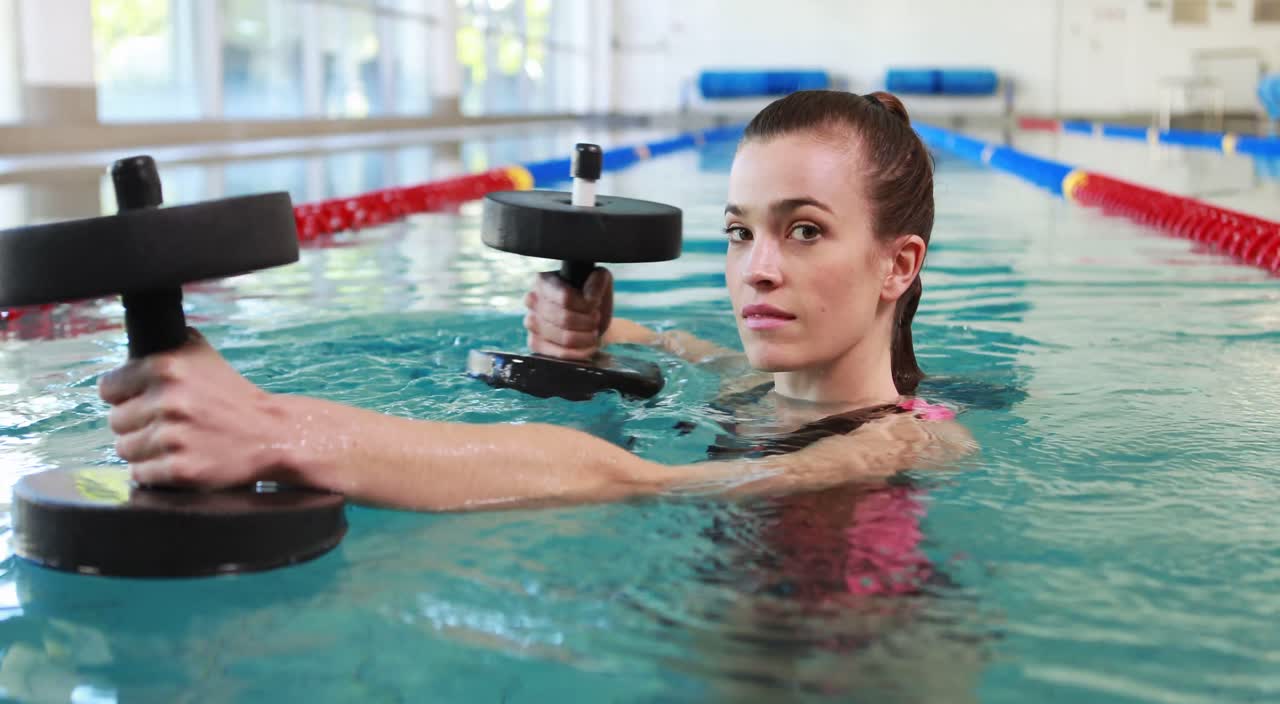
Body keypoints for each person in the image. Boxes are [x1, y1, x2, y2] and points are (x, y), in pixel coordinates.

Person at [98, 90, 974, 511]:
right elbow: (675, 341)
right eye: (741, 231)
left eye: (806, 230)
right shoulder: (755, 384)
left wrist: (273, 429)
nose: (756, 269)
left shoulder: (905, 441)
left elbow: (640, 480)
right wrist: (593, 327)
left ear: (898, 266)